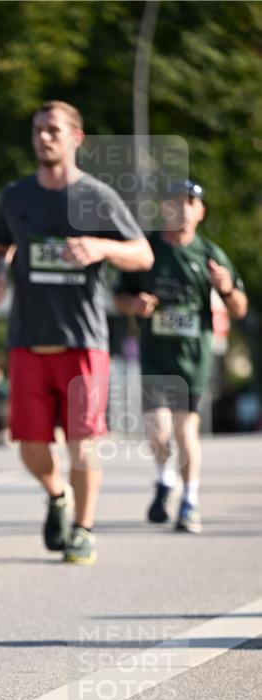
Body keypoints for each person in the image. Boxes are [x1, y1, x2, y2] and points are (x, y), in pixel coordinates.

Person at [0, 101, 153, 565]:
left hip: (83, 341)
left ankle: (84, 528)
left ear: (76, 138)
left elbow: (142, 254)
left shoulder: (96, 196)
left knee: (82, 443)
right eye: (38, 130)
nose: (44, 138)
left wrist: (100, 246)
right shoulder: (15, 196)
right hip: (27, 340)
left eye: (54, 130)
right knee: (31, 448)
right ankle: (57, 496)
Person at [114, 180, 248, 532]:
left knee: (185, 429)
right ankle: (164, 479)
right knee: (157, 429)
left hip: (193, 357)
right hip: (156, 354)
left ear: (201, 211)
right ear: (164, 209)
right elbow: (119, 298)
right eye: (175, 203)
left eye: (191, 203)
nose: (183, 209)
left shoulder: (210, 254)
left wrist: (226, 287)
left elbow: (240, 308)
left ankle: (190, 500)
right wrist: (136, 304)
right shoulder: (147, 251)